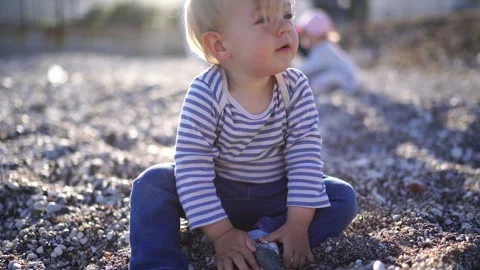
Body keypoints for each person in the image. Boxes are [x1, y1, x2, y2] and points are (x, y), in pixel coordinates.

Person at [129, 0, 358, 269]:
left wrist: (298, 224)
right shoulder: (207, 93)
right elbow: (193, 167)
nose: (285, 28)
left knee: (342, 197)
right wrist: (221, 234)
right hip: (218, 192)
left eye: (287, 15)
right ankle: (158, 263)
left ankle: (267, 239)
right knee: (152, 184)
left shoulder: (295, 88)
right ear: (220, 46)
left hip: (276, 197)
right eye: (263, 20)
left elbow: (304, 156)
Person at [296, 9, 359, 92]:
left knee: (316, 81)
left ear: (317, 35)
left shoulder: (323, 49)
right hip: (347, 80)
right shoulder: (324, 48)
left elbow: (304, 70)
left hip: (348, 82)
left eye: (305, 35)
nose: (302, 39)